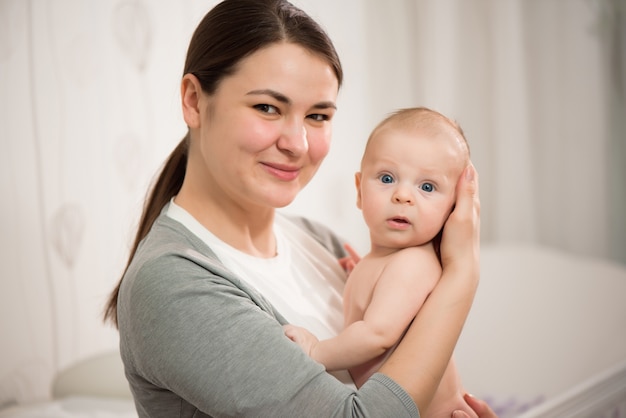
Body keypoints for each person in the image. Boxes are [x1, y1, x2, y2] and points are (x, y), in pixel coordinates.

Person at [102, 1, 495, 417]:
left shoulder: (323, 244)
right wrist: (461, 277)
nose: (297, 143)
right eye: (267, 108)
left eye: (317, 115)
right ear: (195, 101)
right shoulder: (171, 283)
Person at [283, 107, 477, 418]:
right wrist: (359, 276)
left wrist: (317, 351)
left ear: (454, 209)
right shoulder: (384, 261)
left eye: (427, 187)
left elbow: (377, 335)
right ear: (359, 190)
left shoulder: (413, 263)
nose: (403, 195)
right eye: (387, 178)